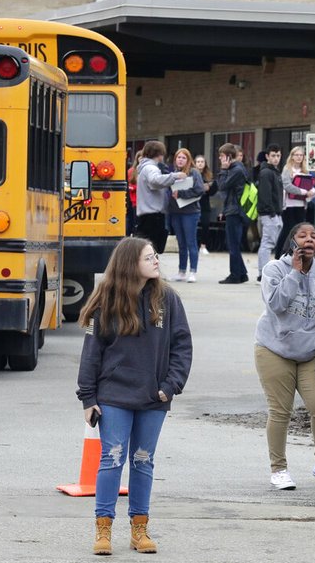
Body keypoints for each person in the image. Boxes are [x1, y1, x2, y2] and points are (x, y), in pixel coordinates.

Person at [76, 237, 193, 556]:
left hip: (154, 398)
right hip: (113, 396)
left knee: (143, 461)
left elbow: (182, 346)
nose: (156, 261)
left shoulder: (167, 298)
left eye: (156, 256)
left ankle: (139, 529)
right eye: (148, 257)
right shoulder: (106, 301)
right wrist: (88, 397)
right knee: (111, 459)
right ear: (130, 264)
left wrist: (170, 386)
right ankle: (103, 528)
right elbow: (91, 353)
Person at [254, 222, 315, 491]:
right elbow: (275, 304)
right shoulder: (274, 269)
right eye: (302, 235)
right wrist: (295, 273)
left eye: (314, 236)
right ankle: (279, 470)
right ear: (291, 241)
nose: (309, 240)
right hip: (274, 349)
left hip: (309, 353)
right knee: (280, 411)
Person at [135, 141, 186, 254]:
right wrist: (175, 176)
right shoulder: (151, 168)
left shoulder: (144, 167)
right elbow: (155, 181)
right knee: (152, 249)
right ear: (159, 154)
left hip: (146, 214)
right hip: (153, 215)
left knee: (145, 248)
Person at [167, 148, 204, 283]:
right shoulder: (174, 174)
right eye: (178, 157)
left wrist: (181, 194)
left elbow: (199, 190)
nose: (180, 160)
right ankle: (181, 271)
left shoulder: (194, 172)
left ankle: (193, 271)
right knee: (181, 243)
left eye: (183, 158)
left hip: (190, 212)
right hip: (176, 212)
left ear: (188, 160)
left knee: (191, 242)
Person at [216, 143, 251, 284]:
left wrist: (224, 170)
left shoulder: (236, 170)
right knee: (233, 243)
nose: (220, 158)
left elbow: (222, 186)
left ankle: (235, 275)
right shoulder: (236, 168)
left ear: (229, 157)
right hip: (233, 209)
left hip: (235, 211)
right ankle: (242, 273)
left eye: (222, 156)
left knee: (233, 244)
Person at [275, 146, 314, 258]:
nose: (299, 157)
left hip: (301, 205)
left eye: (301, 155)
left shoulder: (305, 170)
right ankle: (279, 255)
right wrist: (303, 191)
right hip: (289, 205)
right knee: (287, 230)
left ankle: (293, 254)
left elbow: (311, 184)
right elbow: (287, 186)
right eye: (296, 155)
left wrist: (312, 191)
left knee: (298, 232)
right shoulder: (287, 169)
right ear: (292, 156)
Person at [257, 144, 283, 281]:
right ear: (267, 156)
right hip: (269, 214)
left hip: (276, 213)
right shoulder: (266, 172)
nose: (276, 158)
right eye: (273, 155)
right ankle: (263, 273)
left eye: (278, 155)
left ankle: (264, 272)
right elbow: (265, 195)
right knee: (267, 243)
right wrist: (272, 213)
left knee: (270, 243)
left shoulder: (274, 171)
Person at [194, 154, 217, 255]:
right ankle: (193, 245)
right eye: (198, 162)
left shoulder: (209, 175)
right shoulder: (192, 174)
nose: (200, 164)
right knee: (193, 225)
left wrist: (209, 188)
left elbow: (213, 190)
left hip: (204, 204)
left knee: (205, 224)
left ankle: (203, 246)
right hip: (193, 204)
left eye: (202, 162)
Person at [126, 150, 142, 236]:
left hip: (144, 202)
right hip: (134, 201)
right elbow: (129, 186)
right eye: (140, 157)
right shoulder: (131, 171)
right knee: (134, 222)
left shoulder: (147, 170)